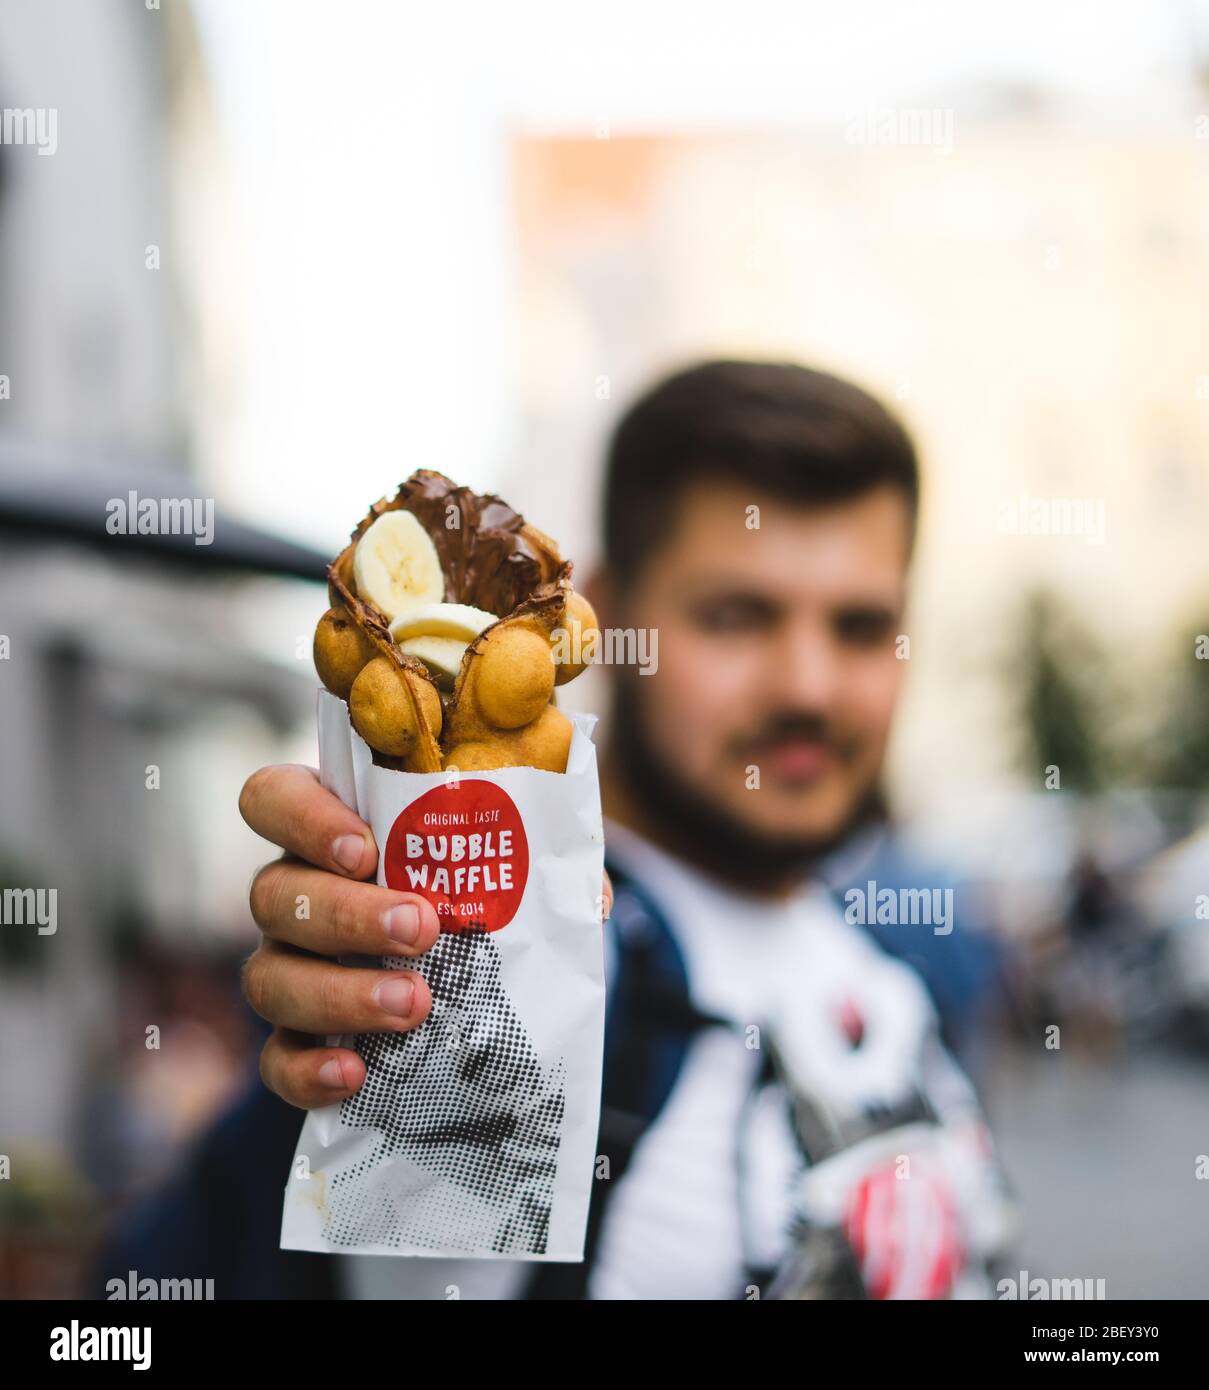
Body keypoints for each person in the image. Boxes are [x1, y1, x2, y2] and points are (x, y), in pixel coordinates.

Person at [95, 359, 1014, 1299]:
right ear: (605, 619)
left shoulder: (902, 967)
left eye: (861, 627)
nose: (808, 687)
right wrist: (377, 969)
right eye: (738, 618)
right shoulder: (555, 964)